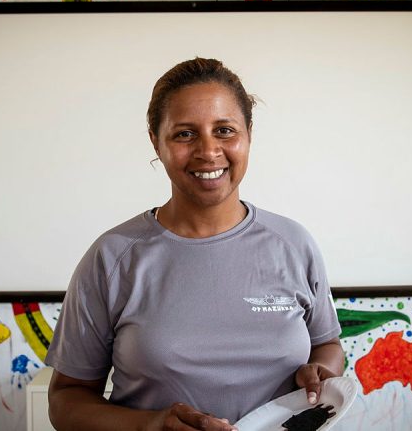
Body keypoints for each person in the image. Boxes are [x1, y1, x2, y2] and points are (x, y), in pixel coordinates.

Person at [44, 58, 344, 431]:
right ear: (156, 141)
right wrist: (152, 425)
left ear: (248, 134)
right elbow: (64, 401)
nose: (208, 151)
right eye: (185, 133)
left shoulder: (293, 244)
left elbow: (328, 346)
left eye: (224, 130)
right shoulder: (112, 257)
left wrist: (323, 371)